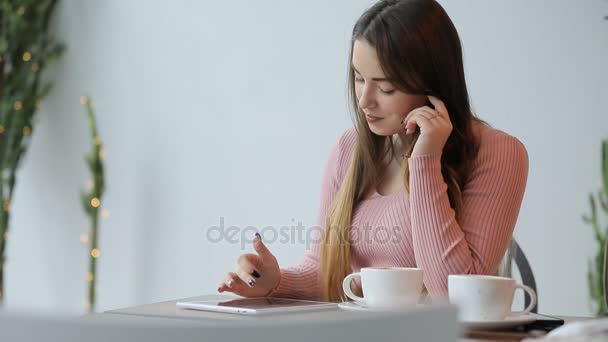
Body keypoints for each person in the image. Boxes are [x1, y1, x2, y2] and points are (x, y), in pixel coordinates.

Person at [216, 0, 528, 303]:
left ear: (433, 84)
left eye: (385, 86)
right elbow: (327, 271)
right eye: (358, 77)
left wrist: (424, 161)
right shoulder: (348, 148)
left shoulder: (497, 153)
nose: (365, 100)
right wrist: (276, 281)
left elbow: (456, 297)